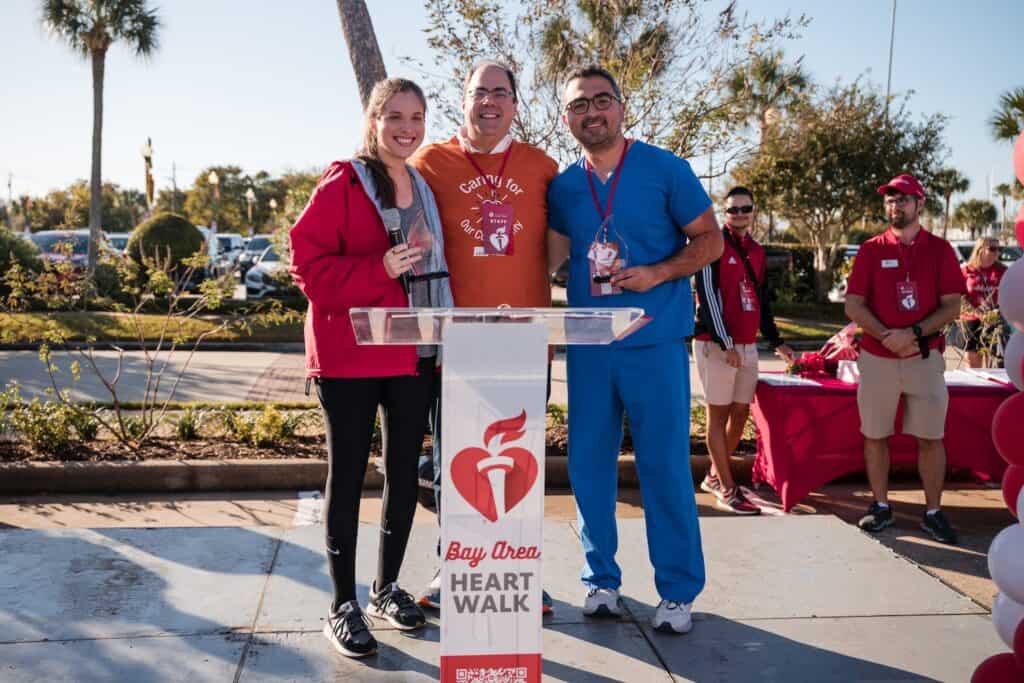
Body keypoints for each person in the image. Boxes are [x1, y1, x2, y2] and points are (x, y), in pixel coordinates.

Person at [546, 66, 723, 634]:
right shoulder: (564, 186)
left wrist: (659, 272)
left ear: (621, 108)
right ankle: (600, 579)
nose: (591, 112)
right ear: (566, 117)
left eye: (602, 101)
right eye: (579, 105)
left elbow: (711, 240)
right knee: (588, 466)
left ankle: (677, 590)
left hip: (654, 341)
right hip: (590, 345)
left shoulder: (665, 168)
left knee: (665, 466)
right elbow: (549, 259)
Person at [289, 77, 454, 658]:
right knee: (349, 476)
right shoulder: (344, 181)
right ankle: (342, 603)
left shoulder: (424, 186)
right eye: (396, 117)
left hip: (413, 351)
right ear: (374, 119)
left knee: (405, 474)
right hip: (350, 356)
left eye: (417, 117)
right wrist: (378, 268)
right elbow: (306, 266)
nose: (407, 129)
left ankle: (386, 588)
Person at [408, 60, 559, 613]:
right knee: (458, 461)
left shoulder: (543, 167)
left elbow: (562, 245)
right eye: (479, 92)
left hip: (525, 341)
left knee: (519, 464)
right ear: (463, 100)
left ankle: (518, 568)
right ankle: (455, 567)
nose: (489, 101)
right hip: (457, 342)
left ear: (515, 104)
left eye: (501, 92)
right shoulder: (429, 164)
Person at [844, 174, 965, 545]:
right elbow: (854, 304)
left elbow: (952, 305)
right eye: (890, 201)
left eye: (902, 200)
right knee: (875, 436)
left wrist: (912, 334)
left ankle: (932, 512)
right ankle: (881, 507)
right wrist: (887, 336)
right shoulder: (871, 249)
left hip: (924, 357)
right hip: (878, 357)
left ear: (919, 203)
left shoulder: (940, 249)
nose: (894, 206)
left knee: (930, 437)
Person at [693, 186, 794, 514]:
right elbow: (707, 297)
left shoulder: (758, 251)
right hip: (716, 345)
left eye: (745, 208)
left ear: (753, 212)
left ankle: (712, 475)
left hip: (747, 346)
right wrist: (724, 342)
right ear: (725, 213)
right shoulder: (712, 244)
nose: (739, 214)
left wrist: (776, 341)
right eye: (733, 209)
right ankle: (727, 487)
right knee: (717, 416)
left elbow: (761, 300)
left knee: (740, 414)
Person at [948, 236, 1007, 368]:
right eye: (992, 249)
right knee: (974, 364)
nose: (997, 252)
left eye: (999, 249)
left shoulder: (1003, 271)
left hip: (994, 321)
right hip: (971, 321)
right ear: (980, 250)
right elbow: (957, 296)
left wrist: (997, 311)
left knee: (994, 363)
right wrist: (975, 311)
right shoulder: (966, 271)